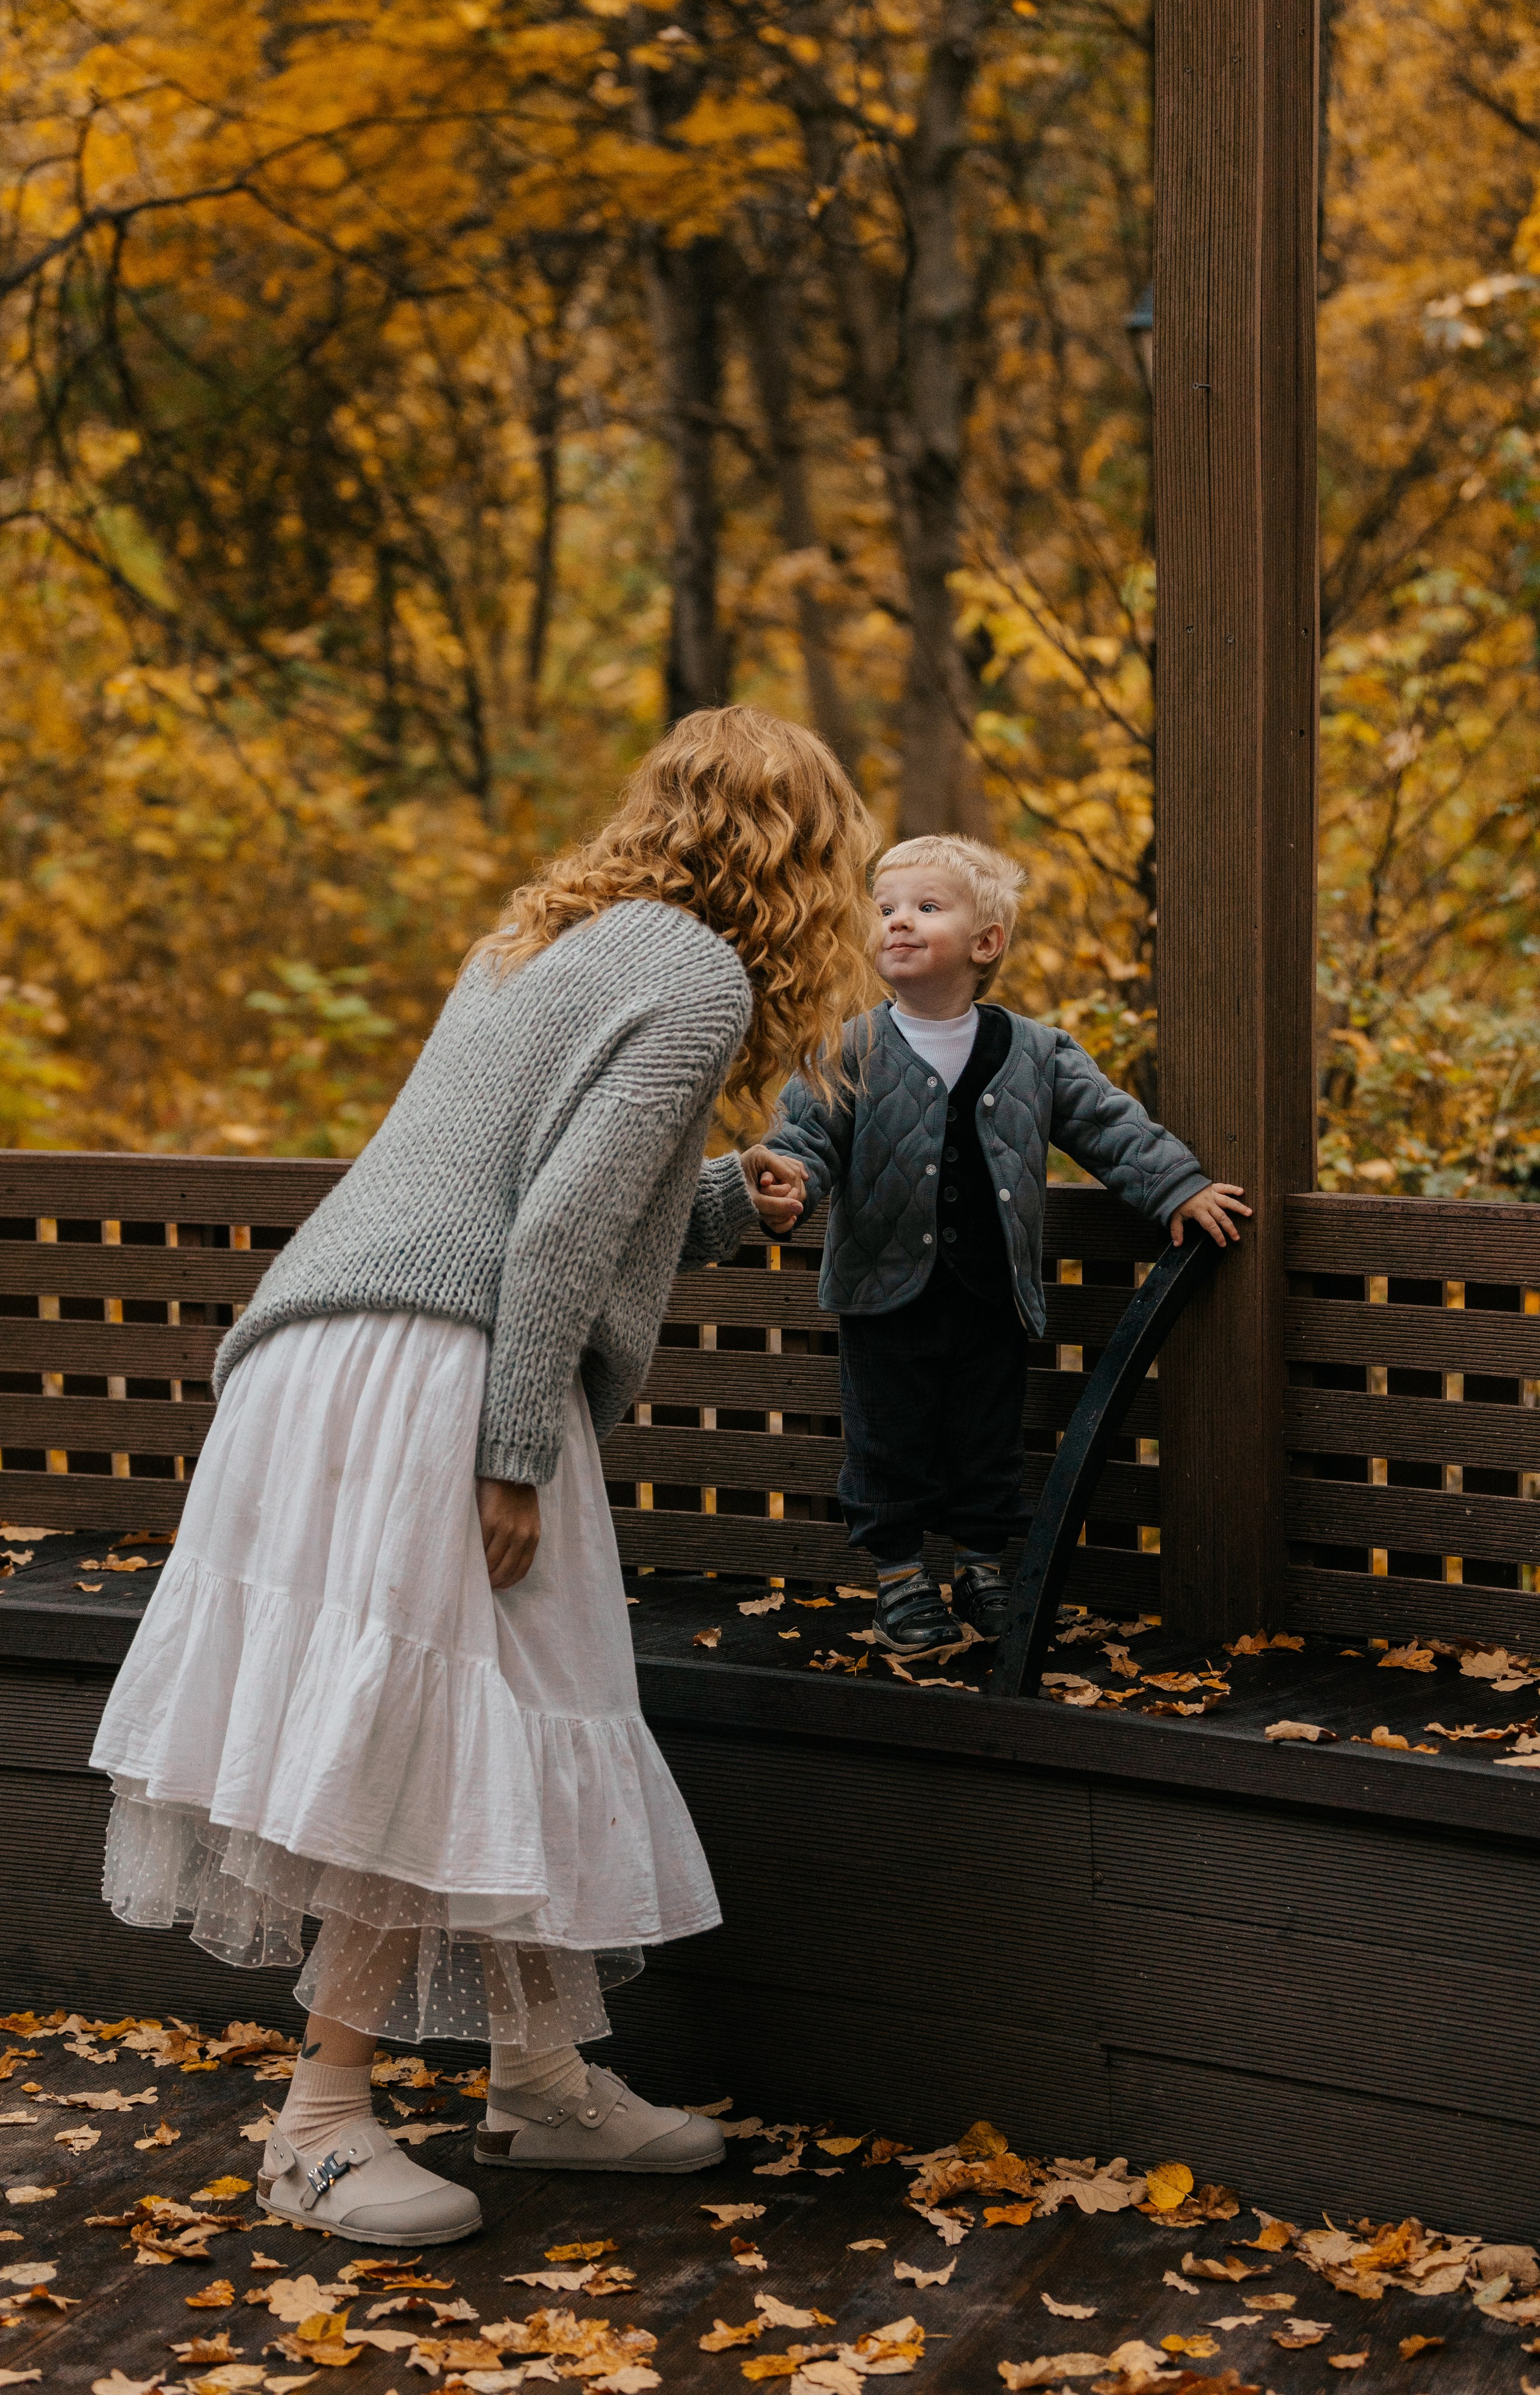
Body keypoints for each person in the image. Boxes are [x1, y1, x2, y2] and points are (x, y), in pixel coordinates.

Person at [90, 706, 872, 2247]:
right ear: (798, 857)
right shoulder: (702, 974)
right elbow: (554, 1231)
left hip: (327, 1344)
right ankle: (318, 2124)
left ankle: (542, 2079)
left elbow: (539, 1186)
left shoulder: (541, 933)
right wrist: (512, 1452)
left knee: (524, 1694)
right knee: (433, 1721)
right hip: (445, 1370)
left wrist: (721, 1200)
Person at [764, 833, 1249, 1657]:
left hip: (992, 1294)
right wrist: (787, 1187)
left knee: (988, 1439)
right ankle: (900, 1581)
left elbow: (1110, 1128)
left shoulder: (1037, 1052)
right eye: (884, 910)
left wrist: (1179, 1186)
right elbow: (803, 1141)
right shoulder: (845, 1049)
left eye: (926, 907)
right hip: (884, 1294)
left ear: (986, 943)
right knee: (890, 1441)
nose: (898, 923)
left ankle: (983, 1569)